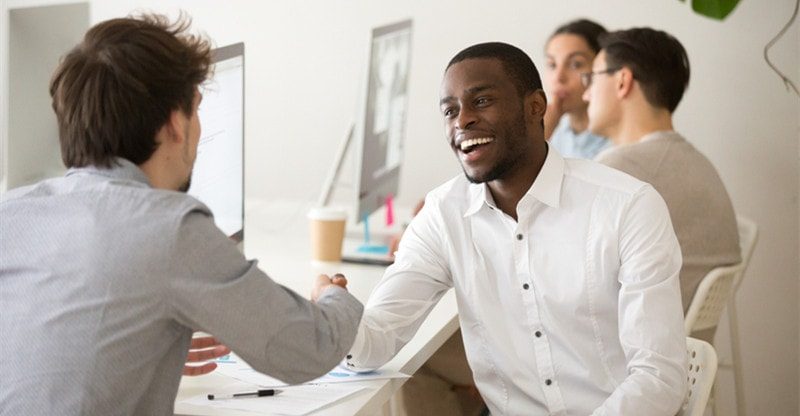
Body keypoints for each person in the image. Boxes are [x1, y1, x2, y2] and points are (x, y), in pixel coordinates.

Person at [0, 14, 362, 416]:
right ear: (175, 123)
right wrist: (333, 296)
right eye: (197, 108)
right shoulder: (170, 229)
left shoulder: (12, 214)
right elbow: (308, 347)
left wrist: (144, 337)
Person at [345, 41, 687, 415]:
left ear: (535, 106)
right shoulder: (443, 215)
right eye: (450, 110)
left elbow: (659, 378)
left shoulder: (627, 205)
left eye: (481, 101)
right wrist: (331, 314)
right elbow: (376, 340)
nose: (462, 121)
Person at [585, 27, 741, 341]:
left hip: (633, 354)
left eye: (591, 78)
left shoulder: (619, 169)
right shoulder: (698, 162)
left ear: (622, 81)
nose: (585, 94)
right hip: (689, 354)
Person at [544, 18, 611, 159]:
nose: (558, 77)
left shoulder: (620, 141)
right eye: (552, 65)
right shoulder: (551, 134)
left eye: (575, 64)